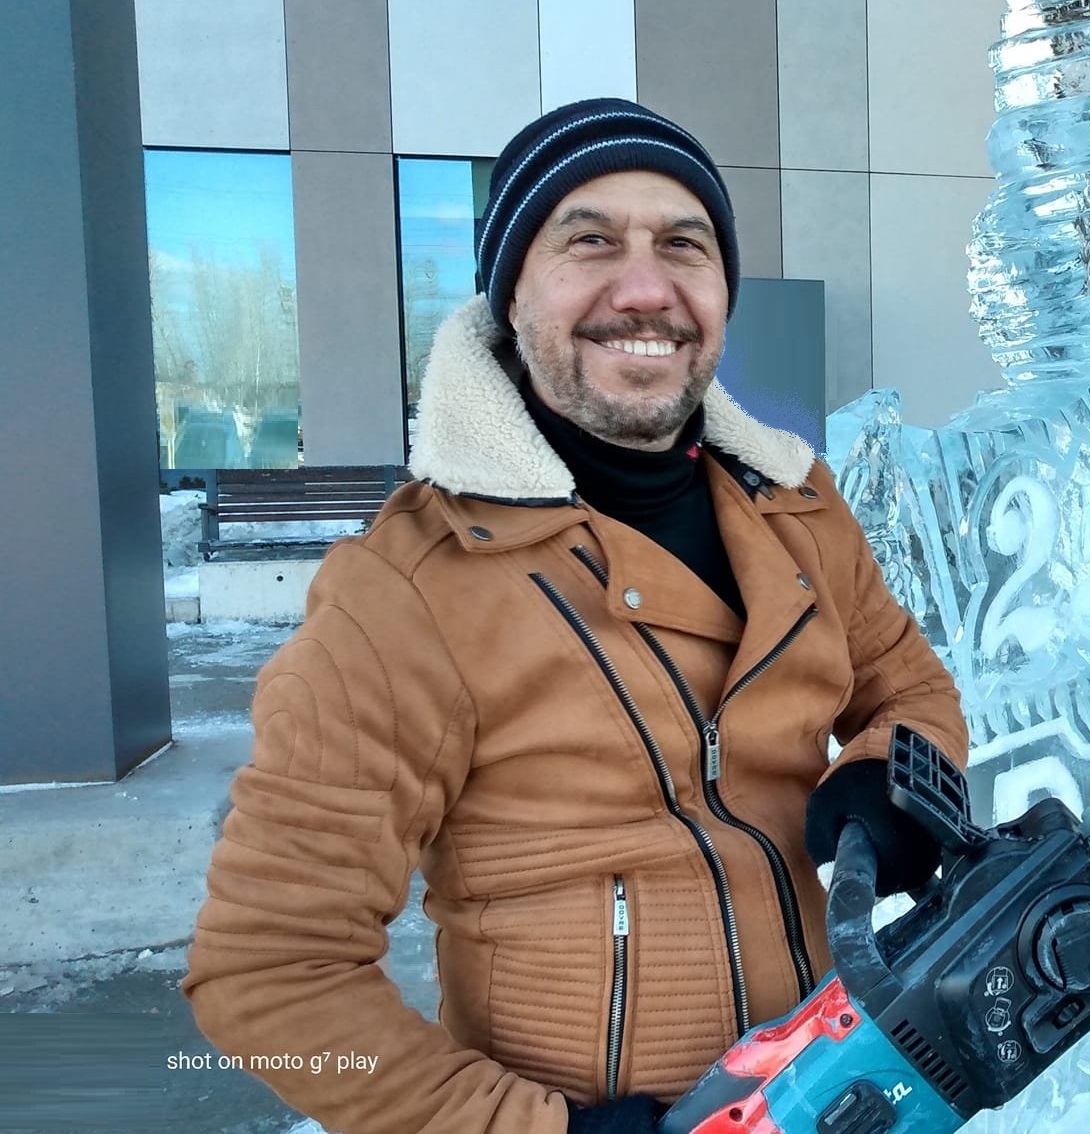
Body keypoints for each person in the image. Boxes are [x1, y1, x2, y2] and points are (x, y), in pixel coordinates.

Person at [183, 97, 968, 1134]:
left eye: (683, 245)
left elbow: (908, 686)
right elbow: (265, 982)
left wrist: (890, 777)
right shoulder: (405, 592)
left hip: (840, 1089)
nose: (645, 289)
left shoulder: (798, 507)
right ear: (510, 292)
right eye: (588, 240)